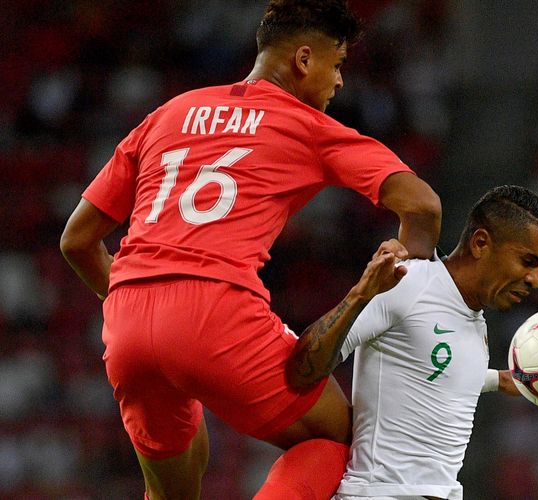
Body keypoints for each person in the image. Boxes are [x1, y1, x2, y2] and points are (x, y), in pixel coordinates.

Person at [59, 1, 441, 499]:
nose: (340, 81)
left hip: (126, 321)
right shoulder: (308, 126)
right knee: (346, 441)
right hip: (216, 311)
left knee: (173, 486)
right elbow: (423, 206)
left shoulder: (168, 113)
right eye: (337, 64)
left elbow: (77, 241)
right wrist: (409, 293)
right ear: (304, 60)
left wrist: (145, 308)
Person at [287, 185, 538, 500]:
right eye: (528, 261)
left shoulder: (474, 320)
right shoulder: (409, 283)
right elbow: (303, 368)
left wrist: (496, 380)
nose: (535, 280)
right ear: (481, 243)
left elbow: (429, 367)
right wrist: (360, 295)